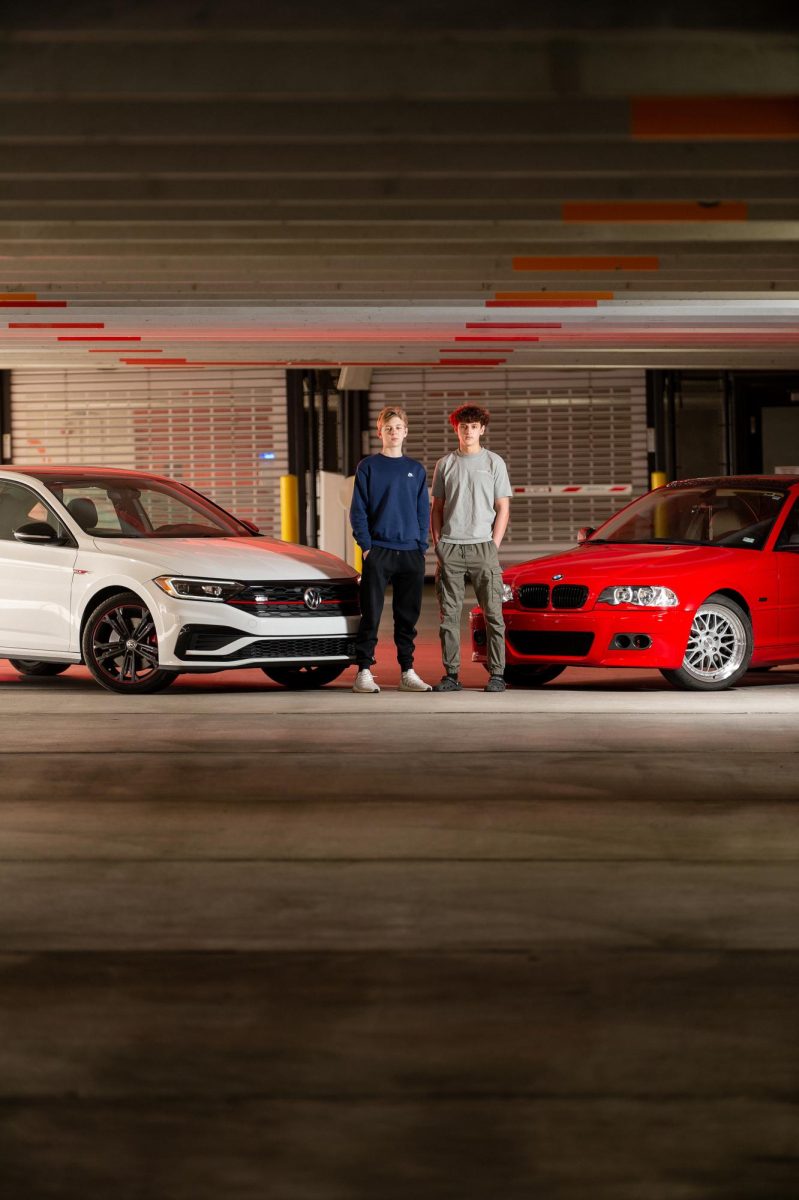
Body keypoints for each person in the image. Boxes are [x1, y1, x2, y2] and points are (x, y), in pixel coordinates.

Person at [349, 405, 433, 693]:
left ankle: (407, 671)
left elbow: (424, 511)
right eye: (388, 428)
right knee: (371, 613)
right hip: (379, 551)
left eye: (398, 428)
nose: (394, 432)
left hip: (411, 552)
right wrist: (367, 546)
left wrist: (421, 545)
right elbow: (358, 511)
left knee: (407, 616)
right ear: (380, 432)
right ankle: (363, 671)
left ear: (405, 432)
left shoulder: (415, 470)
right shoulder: (368, 467)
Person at [430, 404, 512, 693]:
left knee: (493, 615)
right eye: (463, 426)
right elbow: (437, 509)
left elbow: (503, 507)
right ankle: (452, 675)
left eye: (474, 426)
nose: (468, 431)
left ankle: (498, 674)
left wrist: (493, 544)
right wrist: (439, 544)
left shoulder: (494, 463)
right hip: (451, 548)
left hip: (483, 549)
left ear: (482, 429)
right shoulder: (445, 464)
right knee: (449, 617)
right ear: (456, 429)